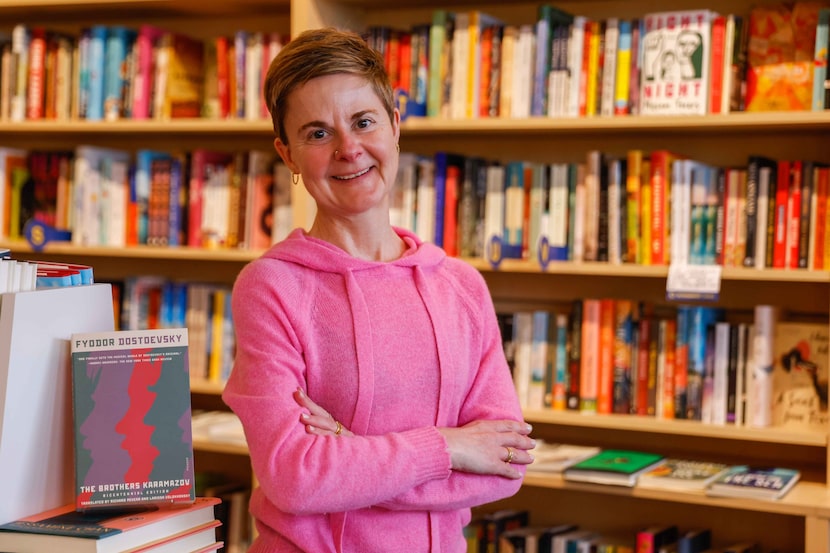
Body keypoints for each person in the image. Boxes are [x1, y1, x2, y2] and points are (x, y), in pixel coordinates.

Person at [222, 27, 535, 553]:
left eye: (363, 122)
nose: (348, 149)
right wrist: (450, 447)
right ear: (288, 154)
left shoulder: (460, 286)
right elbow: (295, 478)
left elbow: (504, 466)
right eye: (317, 133)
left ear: (393, 127)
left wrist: (352, 455)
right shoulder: (271, 287)